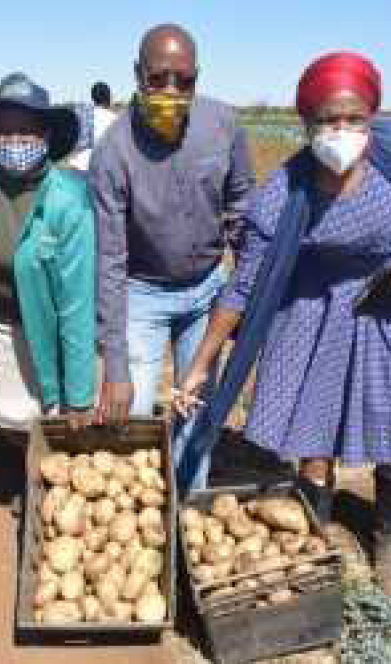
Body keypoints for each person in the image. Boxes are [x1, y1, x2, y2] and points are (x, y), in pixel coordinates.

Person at [173, 52, 391, 593]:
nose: (341, 131)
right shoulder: (282, 194)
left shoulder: (389, 167)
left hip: (382, 306)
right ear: (306, 123)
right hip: (312, 308)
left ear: (372, 117)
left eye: (353, 119)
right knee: (315, 425)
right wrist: (201, 364)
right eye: (327, 120)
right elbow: (243, 285)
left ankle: (387, 540)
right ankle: (311, 531)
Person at [89, 24, 254, 489]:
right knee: (133, 410)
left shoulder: (223, 125)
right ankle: (142, 511)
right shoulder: (113, 152)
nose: (169, 91)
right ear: (137, 75)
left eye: (183, 81)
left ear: (196, 78)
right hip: (142, 292)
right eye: (157, 79)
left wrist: (243, 296)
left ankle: (188, 509)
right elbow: (110, 260)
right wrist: (115, 366)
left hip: (206, 289)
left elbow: (241, 210)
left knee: (196, 410)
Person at [0, 72, 96, 433]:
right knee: (1, 416)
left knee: (49, 422)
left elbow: (77, 305)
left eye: (28, 130)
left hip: (46, 335)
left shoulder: (69, 202)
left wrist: (80, 394)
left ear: (46, 137)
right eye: (5, 131)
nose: (15, 140)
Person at [68, 81, 117, 171]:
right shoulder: (114, 119)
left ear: (93, 97)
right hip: (99, 170)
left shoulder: (82, 114)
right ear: (108, 97)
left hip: (77, 166)